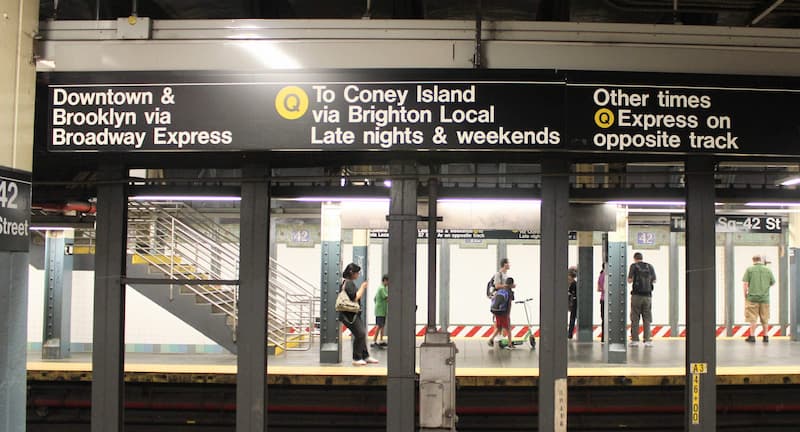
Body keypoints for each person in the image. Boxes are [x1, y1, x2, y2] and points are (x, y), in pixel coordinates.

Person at [339, 263, 379, 366]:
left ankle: (365, 356)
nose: (358, 275)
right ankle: (356, 358)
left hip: (352, 314)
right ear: (352, 272)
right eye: (357, 273)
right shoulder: (348, 283)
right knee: (360, 333)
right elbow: (355, 297)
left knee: (361, 334)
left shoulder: (347, 282)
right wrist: (362, 287)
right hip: (349, 315)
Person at [742, 255, 775, 343]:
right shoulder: (768, 270)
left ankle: (752, 337)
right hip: (765, 299)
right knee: (765, 318)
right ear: (761, 260)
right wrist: (764, 288)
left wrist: (745, 295)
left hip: (752, 298)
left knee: (753, 318)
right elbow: (772, 283)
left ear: (753, 260)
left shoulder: (749, 269)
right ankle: (765, 336)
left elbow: (745, 284)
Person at [627, 252, 656, 347]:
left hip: (636, 296)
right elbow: (654, 280)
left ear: (634, 258)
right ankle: (647, 340)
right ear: (642, 258)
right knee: (647, 318)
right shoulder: (650, 266)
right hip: (647, 296)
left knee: (635, 318)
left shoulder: (634, 266)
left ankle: (635, 340)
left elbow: (629, 280)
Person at [487, 258, 511, 347]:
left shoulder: (505, 275)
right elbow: (497, 286)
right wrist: (508, 286)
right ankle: (502, 339)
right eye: (508, 263)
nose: (509, 265)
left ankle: (495, 338)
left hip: (505, 300)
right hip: (499, 300)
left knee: (502, 321)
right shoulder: (498, 274)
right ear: (504, 264)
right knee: (500, 319)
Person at [488, 277, 515, 350]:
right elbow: (509, 304)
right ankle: (510, 345)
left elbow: (494, 299)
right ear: (511, 284)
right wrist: (508, 314)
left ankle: (491, 339)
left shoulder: (500, 290)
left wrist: (494, 313)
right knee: (508, 328)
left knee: (499, 327)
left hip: (496, 311)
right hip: (504, 313)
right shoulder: (509, 292)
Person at [371, 274, 389, 348]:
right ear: (384, 280)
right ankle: (374, 341)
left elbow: (375, 298)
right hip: (380, 311)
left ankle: (381, 340)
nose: (388, 283)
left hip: (381, 310)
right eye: (388, 281)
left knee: (382, 326)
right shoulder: (382, 288)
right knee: (379, 326)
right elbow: (387, 297)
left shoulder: (383, 288)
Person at [567, 268, 578, 339]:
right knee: (573, 318)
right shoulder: (575, 283)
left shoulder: (573, 284)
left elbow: (569, 294)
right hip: (574, 302)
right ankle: (570, 333)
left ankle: (570, 334)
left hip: (574, 303)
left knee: (572, 318)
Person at [598, 262, 606, 342]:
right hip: (608, 300)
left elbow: (599, 289)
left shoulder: (601, 275)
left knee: (603, 319)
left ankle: (603, 338)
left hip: (602, 299)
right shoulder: (607, 275)